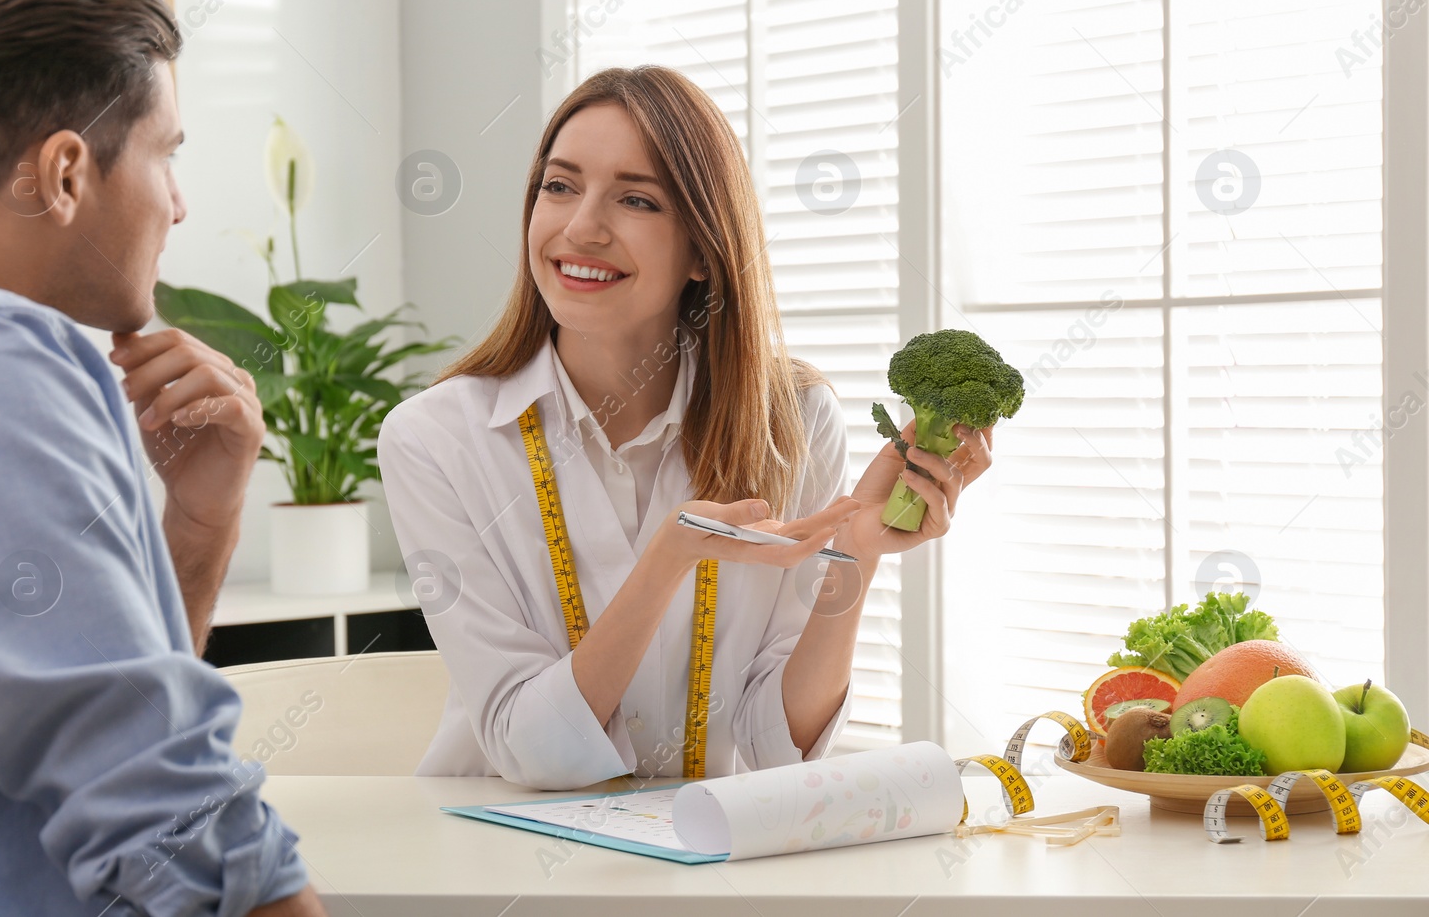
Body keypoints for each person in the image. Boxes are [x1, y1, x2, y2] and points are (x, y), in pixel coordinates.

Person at [0, 0, 323, 915]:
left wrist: (202, 517)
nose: (177, 205)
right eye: (166, 153)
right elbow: (168, 817)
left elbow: (73, 702)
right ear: (63, 172)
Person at [377, 66, 994, 791]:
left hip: (700, 865)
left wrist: (855, 553)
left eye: (636, 199)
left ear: (704, 251)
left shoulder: (792, 423)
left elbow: (775, 747)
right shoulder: (435, 439)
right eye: (559, 185)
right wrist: (667, 559)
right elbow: (533, 751)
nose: (581, 227)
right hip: (498, 875)